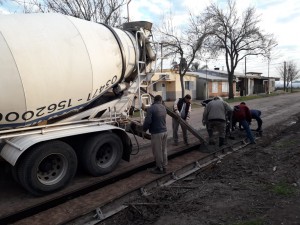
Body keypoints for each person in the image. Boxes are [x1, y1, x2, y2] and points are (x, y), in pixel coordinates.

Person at [143, 95, 168, 174]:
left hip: (157, 133)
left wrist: (144, 130)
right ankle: (164, 166)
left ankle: (159, 168)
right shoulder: (163, 107)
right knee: (163, 150)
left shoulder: (151, 108)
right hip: (165, 132)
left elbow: (148, 122)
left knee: (157, 151)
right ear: (160, 100)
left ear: (154, 100)